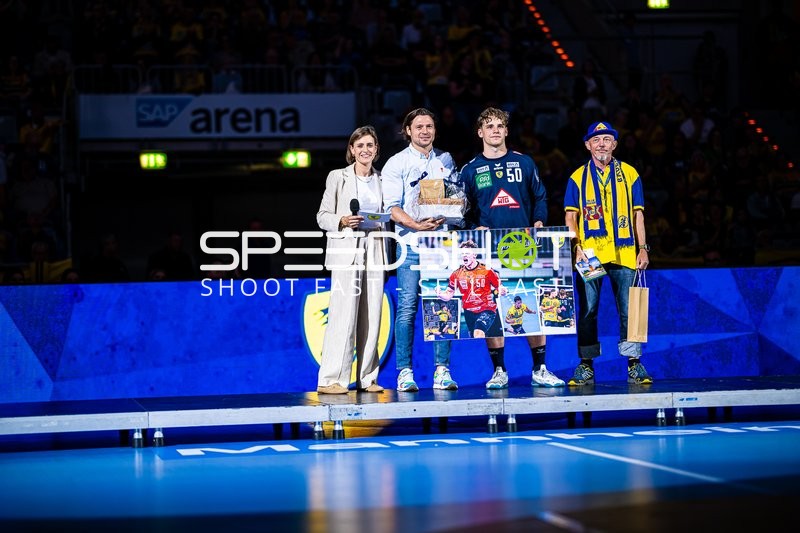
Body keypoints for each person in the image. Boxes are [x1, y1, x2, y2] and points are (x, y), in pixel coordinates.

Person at [460, 107, 565, 388]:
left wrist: (540, 221)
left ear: (506, 131)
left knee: (531, 303)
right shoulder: (470, 170)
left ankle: (540, 368)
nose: (495, 130)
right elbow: (463, 212)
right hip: (487, 250)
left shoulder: (525, 163)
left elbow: (540, 196)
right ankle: (499, 371)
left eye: (500, 125)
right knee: (491, 307)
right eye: (489, 126)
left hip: (523, 246)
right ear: (480, 132)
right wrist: (472, 229)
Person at [564, 121, 653, 386]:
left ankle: (634, 364)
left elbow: (638, 215)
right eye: (596, 140)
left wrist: (643, 248)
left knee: (629, 310)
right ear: (587, 145)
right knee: (588, 310)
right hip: (589, 254)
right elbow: (571, 216)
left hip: (625, 253)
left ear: (614, 144)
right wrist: (576, 246)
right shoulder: (577, 177)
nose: (601, 144)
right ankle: (586, 365)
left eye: (606, 139)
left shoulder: (630, 174)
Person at [382, 108, 458, 392]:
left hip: (440, 245)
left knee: (442, 306)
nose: (425, 131)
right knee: (407, 309)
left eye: (429, 126)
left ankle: (442, 370)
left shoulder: (446, 159)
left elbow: (453, 198)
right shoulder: (395, 163)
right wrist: (415, 224)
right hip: (410, 245)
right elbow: (391, 207)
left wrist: (449, 213)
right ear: (408, 131)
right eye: (419, 127)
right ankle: (404, 372)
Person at [315, 125, 387, 394]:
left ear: (376, 150)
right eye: (360, 146)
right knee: (343, 315)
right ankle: (331, 379)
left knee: (373, 313)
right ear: (352, 150)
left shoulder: (382, 179)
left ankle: (368, 377)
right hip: (346, 247)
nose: (365, 150)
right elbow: (322, 216)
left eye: (370, 145)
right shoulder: (337, 177)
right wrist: (342, 220)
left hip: (376, 248)